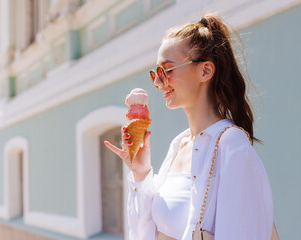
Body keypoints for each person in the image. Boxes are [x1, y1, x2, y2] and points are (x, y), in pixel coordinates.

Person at [104, 13, 273, 240]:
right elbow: (145, 232)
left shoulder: (232, 144)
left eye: (167, 70)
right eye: (156, 73)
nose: (157, 82)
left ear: (205, 71)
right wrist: (141, 172)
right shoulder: (179, 144)